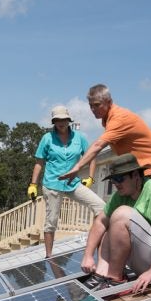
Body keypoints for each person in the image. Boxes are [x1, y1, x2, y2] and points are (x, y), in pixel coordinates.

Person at [81, 153, 151, 293]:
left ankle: (115, 279)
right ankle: (102, 276)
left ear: (136, 175)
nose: (116, 184)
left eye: (119, 178)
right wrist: (88, 256)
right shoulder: (120, 195)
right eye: (113, 180)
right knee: (109, 226)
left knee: (121, 214)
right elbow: (100, 222)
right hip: (148, 259)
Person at [29, 105, 105, 258]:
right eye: (57, 120)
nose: (61, 122)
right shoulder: (47, 138)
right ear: (53, 121)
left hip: (73, 183)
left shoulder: (79, 138)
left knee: (101, 207)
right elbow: (39, 162)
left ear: (69, 120)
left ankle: (98, 249)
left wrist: (90, 178)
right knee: (51, 221)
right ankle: (49, 256)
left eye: (63, 119)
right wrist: (33, 184)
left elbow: (91, 157)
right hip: (52, 184)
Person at [59, 84, 151, 183]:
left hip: (149, 167)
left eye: (97, 105)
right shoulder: (108, 119)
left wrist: (77, 167)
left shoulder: (119, 118)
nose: (93, 109)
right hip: (135, 169)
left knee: (141, 200)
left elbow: (98, 145)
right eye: (90, 105)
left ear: (109, 102)